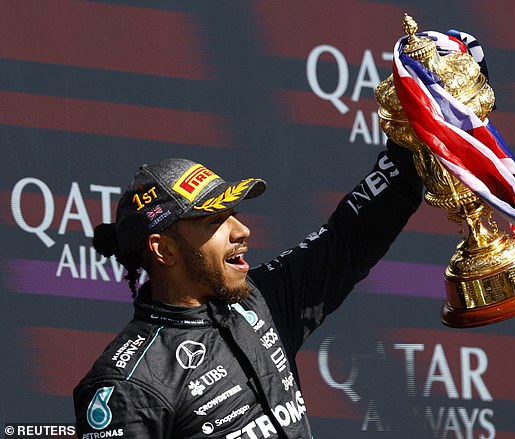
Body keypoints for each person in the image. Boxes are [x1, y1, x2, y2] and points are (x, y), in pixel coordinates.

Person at [73, 140, 423, 438]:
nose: (242, 230)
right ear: (164, 250)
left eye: (233, 213)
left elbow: (352, 236)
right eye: (215, 221)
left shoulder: (261, 298)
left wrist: (414, 139)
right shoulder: (128, 383)